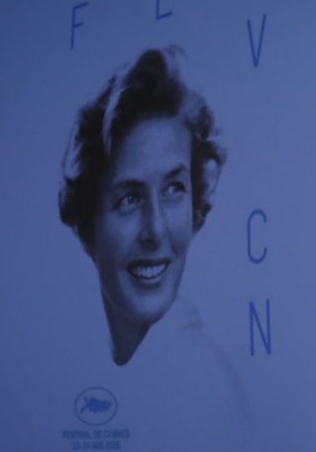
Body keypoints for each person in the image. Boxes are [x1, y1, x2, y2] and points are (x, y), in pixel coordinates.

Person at [58, 46, 254, 447]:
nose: (155, 230)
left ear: (196, 203)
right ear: (88, 225)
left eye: (173, 190)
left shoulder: (201, 389)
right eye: (129, 198)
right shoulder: (93, 376)